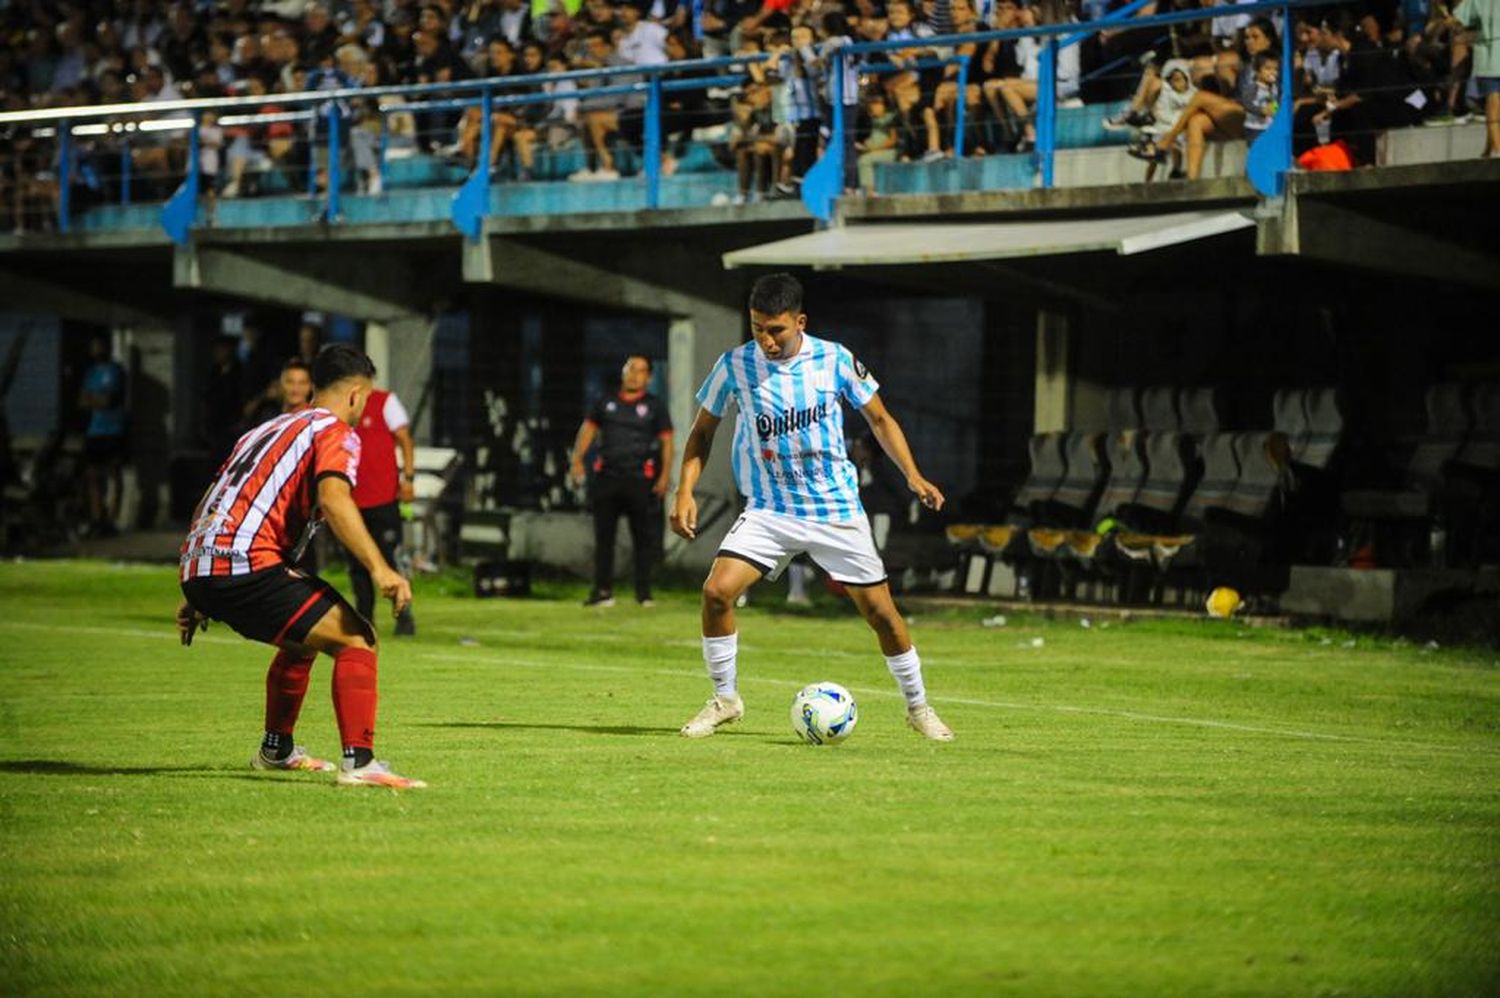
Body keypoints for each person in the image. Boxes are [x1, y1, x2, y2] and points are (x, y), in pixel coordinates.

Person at [670, 273, 955, 742]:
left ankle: (918, 707)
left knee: (881, 614)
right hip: (769, 510)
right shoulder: (734, 366)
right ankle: (725, 700)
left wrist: (913, 475)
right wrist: (684, 491)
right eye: (758, 327)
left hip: (834, 510)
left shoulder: (835, 359)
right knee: (717, 592)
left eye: (776, 329)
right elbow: (702, 432)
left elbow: (880, 419)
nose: (766, 339)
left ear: (800, 322)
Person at [175, 344, 424, 790]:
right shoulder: (335, 431)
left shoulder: (263, 430)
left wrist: (197, 587)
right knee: (357, 639)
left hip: (202, 562)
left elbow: (218, 498)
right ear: (354, 395)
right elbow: (333, 498)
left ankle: (277, 750)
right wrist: (380, 568)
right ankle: (361, 762)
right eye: (364, 400)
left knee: (304, 637)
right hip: (248, 561)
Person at [569, 355, 674, 607]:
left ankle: (643, 593)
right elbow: (588, 431)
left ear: (648, 377)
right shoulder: (606, 402)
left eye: (640, 371)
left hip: (640, 480)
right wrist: (577, 460)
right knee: (604, 538)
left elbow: (667, 443)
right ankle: (603, 591)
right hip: (607, 478)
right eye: (630, 369)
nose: (633, 374)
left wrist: (664, 476)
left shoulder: (654, 406)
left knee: (643, 539)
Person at [347, 382, 418, 636]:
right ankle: (365, 622)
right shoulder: (341, 405)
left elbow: (405, 440)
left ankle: (404, 616)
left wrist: (408, 479)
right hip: (350, 501)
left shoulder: (385, 402)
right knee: (358, 565)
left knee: (392, 559)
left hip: (383, 499)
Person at [80, 334, 128, 537]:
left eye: (98, 346)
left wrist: (96, 400)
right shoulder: (90, 372)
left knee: (114, 474)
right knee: (91, 475)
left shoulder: (115, 371)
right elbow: (82, 400)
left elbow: (109, 401)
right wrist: (95, 400)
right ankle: (97, 517)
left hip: (114, 430)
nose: (95, 350)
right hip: (94, 431)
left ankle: (112, 519)